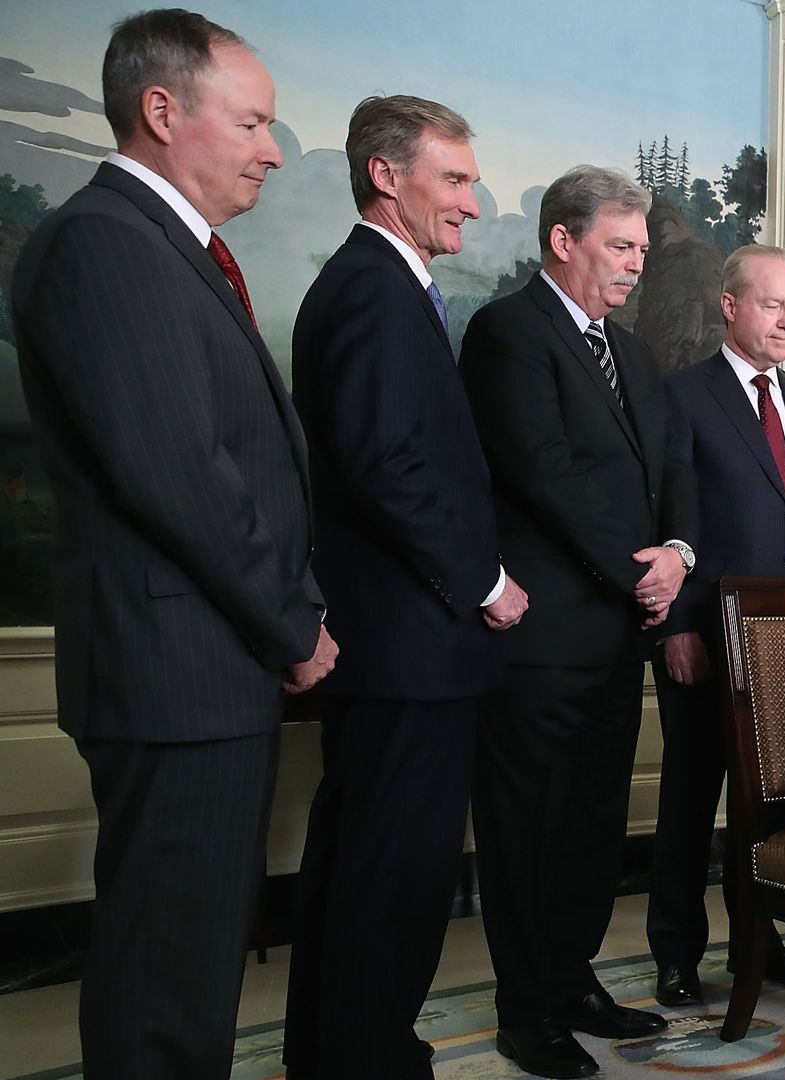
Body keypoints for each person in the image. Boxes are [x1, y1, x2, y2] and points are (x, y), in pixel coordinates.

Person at [8, 11, 334, 1075]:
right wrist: (294, 628)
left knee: (192, 969)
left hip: (199, 672)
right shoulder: (106, 245)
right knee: (166, 979)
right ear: (163, 111)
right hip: (175, 676)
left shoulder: (166, 251)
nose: (273, 150)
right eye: (252, 122)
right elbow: (182, 477)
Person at [281, 95, 526, 1078]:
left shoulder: (377, 284)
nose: (473, 201)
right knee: (394, 880)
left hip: (396, 649)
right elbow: (390, 466)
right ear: (387, 175)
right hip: (409, 648)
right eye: (456, 179)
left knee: (358, 871)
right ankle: (369, 1059)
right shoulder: (375, 291)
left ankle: (339, 1053)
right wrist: (486, 582)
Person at [461, 165, 698, 1078]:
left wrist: (675, 551)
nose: (636, 264)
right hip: (541, 639)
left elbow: (675, 463)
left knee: (597, 822)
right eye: (620, 245)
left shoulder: (632, 352)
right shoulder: (506, 335)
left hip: (616, 634)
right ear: (563, 240)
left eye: (642, 248)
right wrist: (637, 574)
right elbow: (543, 473)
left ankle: (573, 979)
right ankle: (528, 1011)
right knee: (530, 827)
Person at [649, 244, 785, 1006]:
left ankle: (760, 940)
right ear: (731, 306)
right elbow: (669, 522)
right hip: (704, 635)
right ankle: (676, 954)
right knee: (691, 802)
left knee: (770, 808)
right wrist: (671, 630)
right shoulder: (682, 397)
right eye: (772, 305)